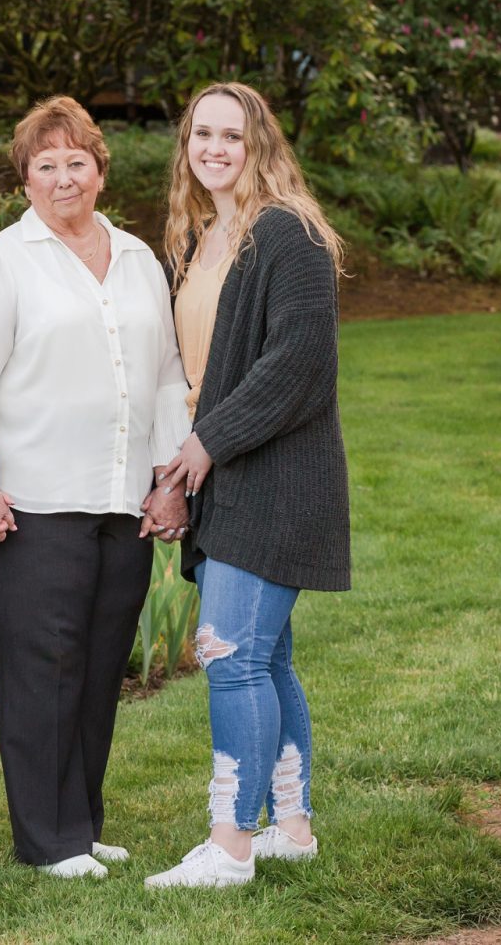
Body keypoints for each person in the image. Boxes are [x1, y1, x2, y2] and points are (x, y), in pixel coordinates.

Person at [0, 96, 192, 879]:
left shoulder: (141, 258)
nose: (62, 177)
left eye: (75, 161)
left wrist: (169, 479)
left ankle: (81, 822)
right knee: (42, 667)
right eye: (44, 165)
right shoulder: (4, 263)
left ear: (100, 170)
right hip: (35, 500)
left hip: (122, 501)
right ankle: (47, 842)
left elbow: (167, 376)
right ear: (25, 180)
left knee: (98, 663)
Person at [143, 82, 351, 890]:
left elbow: (297, 366)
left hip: (277, 477)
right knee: (264, 659)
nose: (216, 149)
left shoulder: (286, 234)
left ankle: (230, 846)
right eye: (203, 135)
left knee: (227, 654)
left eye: (232, 135)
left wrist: (204, 447)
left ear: (259, 143)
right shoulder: (211, 236)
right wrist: (192, 457)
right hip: (230, 470)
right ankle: (290, 829)